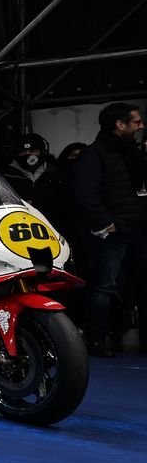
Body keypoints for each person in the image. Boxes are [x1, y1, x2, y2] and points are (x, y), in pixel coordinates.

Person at [71, 103, 147, 357]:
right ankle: (96, 339)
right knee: (103, 287)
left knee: (141, 285)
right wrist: (105, 223)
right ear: (120, 124)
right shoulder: (94, 154)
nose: (141, 126)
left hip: (136, 227)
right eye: (136, 122)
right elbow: (84, 193)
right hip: (112, 232)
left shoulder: (132, 153)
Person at [4, 132, 54, 209]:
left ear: (42, 152)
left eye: (33, 151)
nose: (27, 155)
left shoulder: (54, 172)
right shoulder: (6, 175)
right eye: (22, 152)